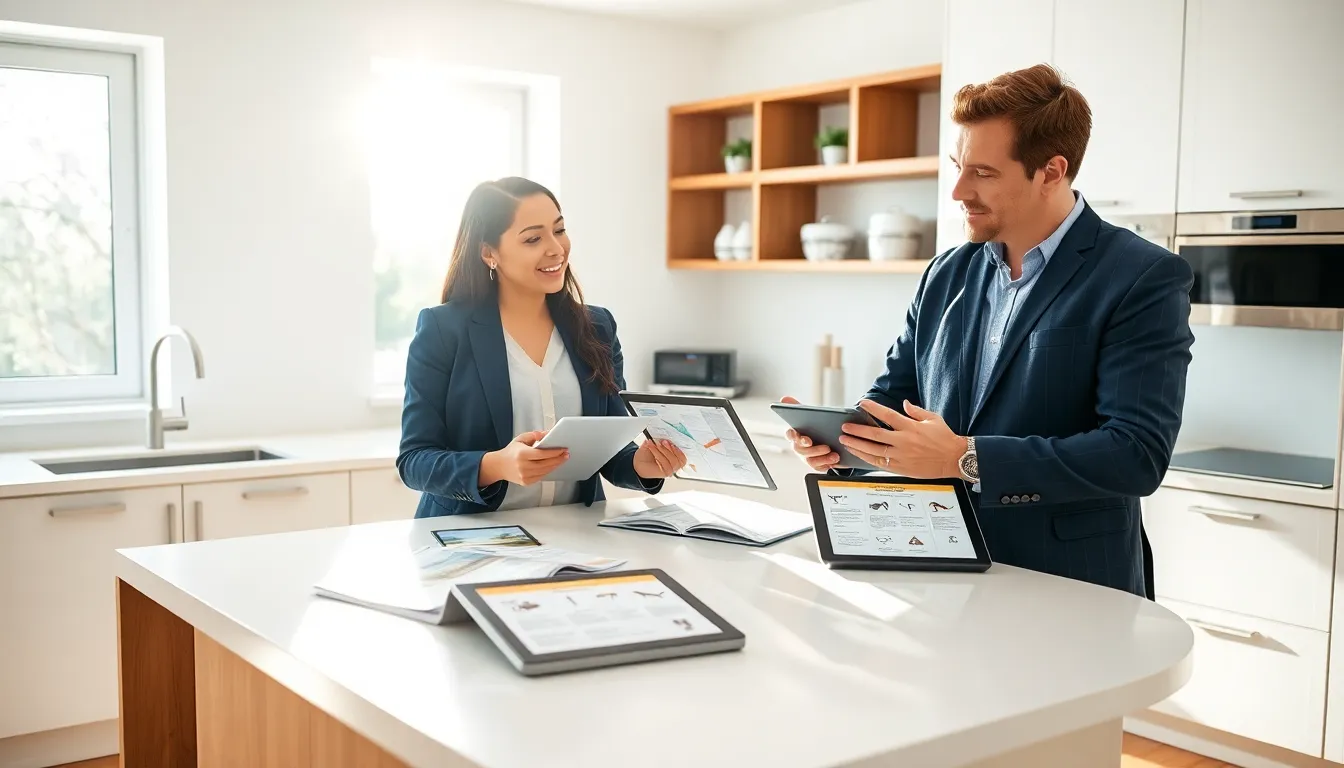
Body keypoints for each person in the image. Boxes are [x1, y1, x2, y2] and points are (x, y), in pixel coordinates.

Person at [785, 64, 1194, 598]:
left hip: (1070, 585)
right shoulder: (947, 272)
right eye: (958, 165)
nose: (957, 190)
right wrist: (843, 442)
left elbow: (1135, 453)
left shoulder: (1141, 276)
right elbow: (893, 400)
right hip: (935, 567)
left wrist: (964, 458)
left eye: (983, 172)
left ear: (1051, 171)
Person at [398, 177, 687, 518]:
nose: (557, 248)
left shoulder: (597, 327)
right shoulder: (443, 330)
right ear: (489, 252)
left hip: (577, 537)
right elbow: (414, 460)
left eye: (559, 230)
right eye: (533, 238)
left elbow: (607, 447)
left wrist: (641, 464)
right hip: (473, 537)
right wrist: (495, 465)